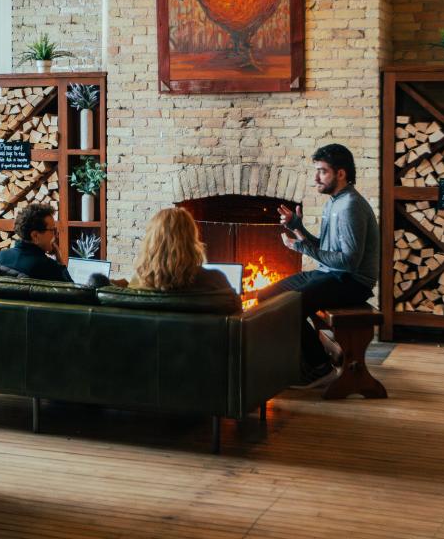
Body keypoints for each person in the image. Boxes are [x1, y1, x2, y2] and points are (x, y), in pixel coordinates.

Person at [259, 144, 379, 385]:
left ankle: (320, 368)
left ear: (341, 173)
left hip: (352, 282)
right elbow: (325, 248)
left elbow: (348, 262)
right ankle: (329, 349)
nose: (316, 178)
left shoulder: (350, 206)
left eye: (322, 171)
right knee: (266, 296)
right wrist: (298, 228)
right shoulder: (334, 202)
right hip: (331, 275)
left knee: (286, 308)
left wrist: (300, 246)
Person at [129, 207, 239, 303]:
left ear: (150, 241)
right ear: (191, 240)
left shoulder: (137, 283)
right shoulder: (215, 280)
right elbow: (237, 317)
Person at [0, 203, 72, 282]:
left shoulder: (1, 256)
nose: (56, 236)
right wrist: (59, 259)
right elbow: (73, 291)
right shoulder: (48, 267)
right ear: (35, 236)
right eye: (53, 230)